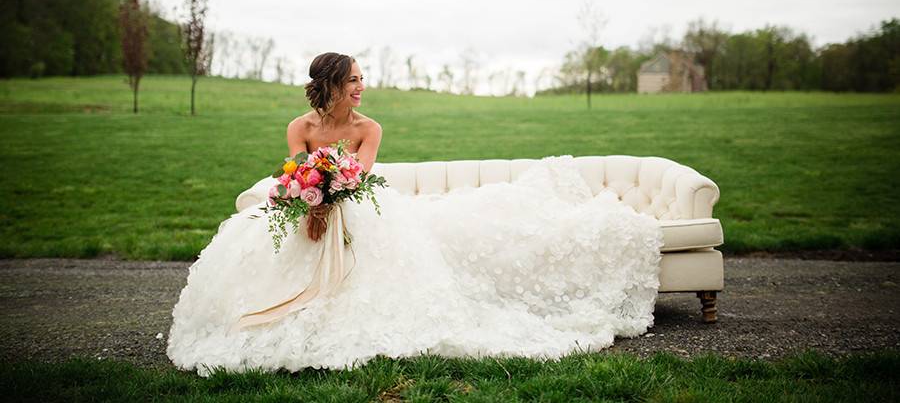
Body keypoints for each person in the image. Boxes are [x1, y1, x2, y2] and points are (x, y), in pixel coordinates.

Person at [167, 52, 663, 376]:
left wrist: (328, 198)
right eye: (354, 80)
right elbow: (295, 169)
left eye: (363, 79)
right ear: (332, 84)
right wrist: (308, 202)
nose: (362, 87)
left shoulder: (369, 127)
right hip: (305, 209)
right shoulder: (299, 125)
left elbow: (354, 177)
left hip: (354, 209)